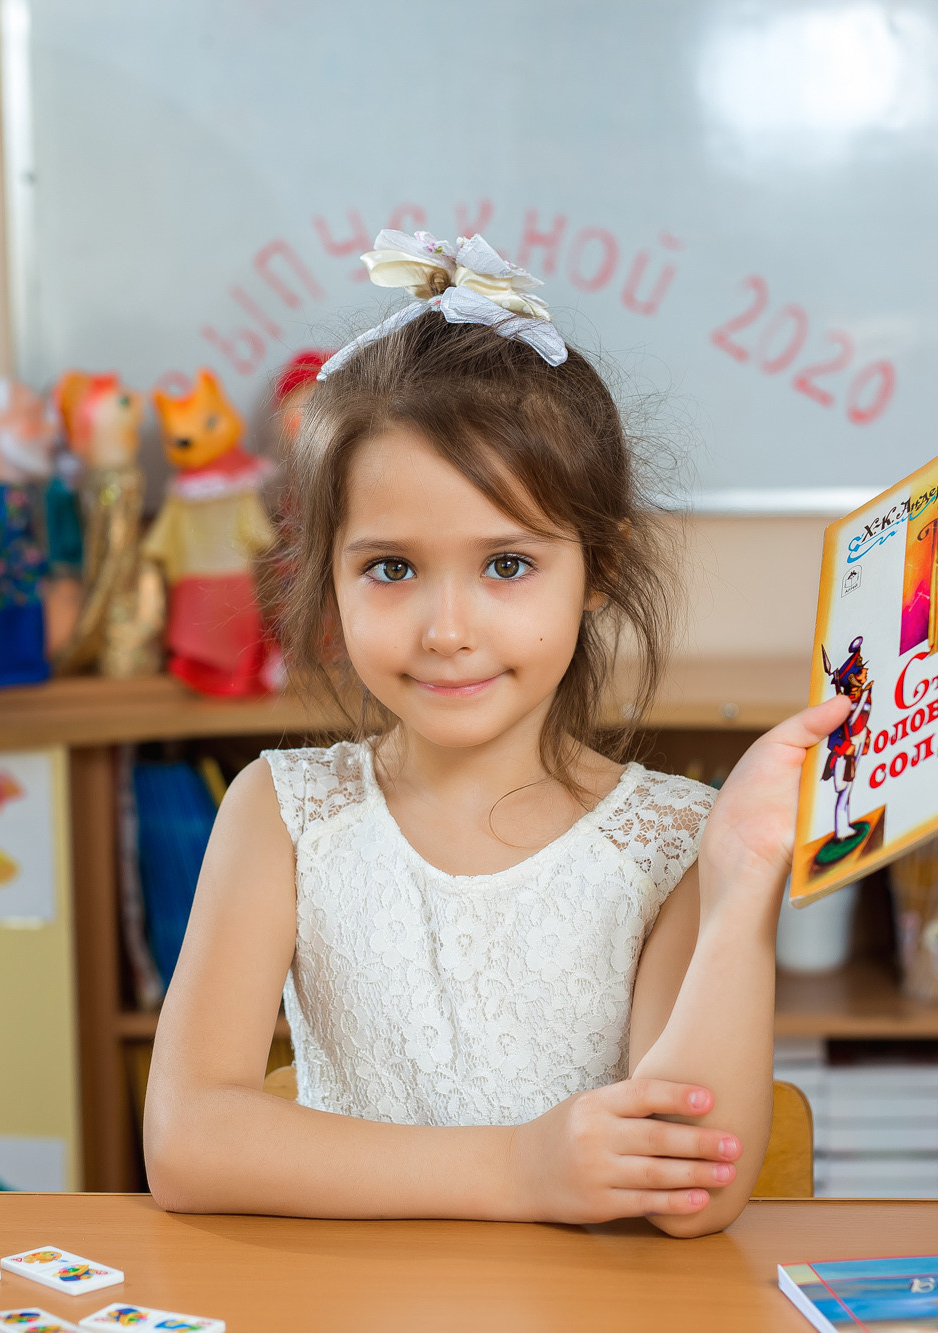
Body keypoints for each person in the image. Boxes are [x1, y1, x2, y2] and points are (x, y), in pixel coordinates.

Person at [143, 230, 849, 1237]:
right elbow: (184, 1141)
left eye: (506, 565)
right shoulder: (280, 813)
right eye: (390, 567)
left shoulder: (673, 844)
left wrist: (739, 894)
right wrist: (519, 1169)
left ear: (597, 568)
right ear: (327, 576)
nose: (446, 629)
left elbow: (692, 1192)